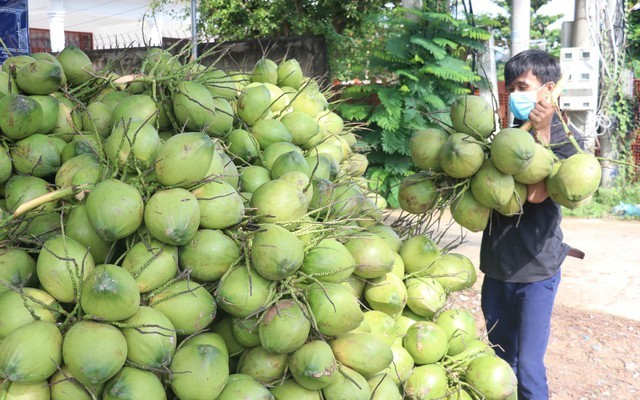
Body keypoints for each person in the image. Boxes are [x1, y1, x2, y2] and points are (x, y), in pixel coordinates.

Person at [480, 49, 584, 400]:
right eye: (510, 87)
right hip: (497, 267)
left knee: (527, 368)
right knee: (499, 359)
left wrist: (541, 132)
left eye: (522, 85)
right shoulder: (505, 139)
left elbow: (537, 193)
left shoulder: (568, 142)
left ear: (548, 90)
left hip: (536, 271)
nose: (514, 94)